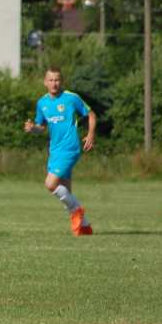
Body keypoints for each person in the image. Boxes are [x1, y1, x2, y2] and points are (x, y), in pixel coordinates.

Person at [24, 67, 96, 236]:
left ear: (61, 81)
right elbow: (41, 128)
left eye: (57, 80)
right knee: (66, 191)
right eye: (50, 80)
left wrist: (91, 134)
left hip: (70, 148)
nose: (54, 83)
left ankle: (77, 211)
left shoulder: (71, 98)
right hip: (54, 151)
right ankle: (84, 227)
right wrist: (32, 128)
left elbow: (91, 114)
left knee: (50, 184)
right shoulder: (42, 103)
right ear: (45, 82)